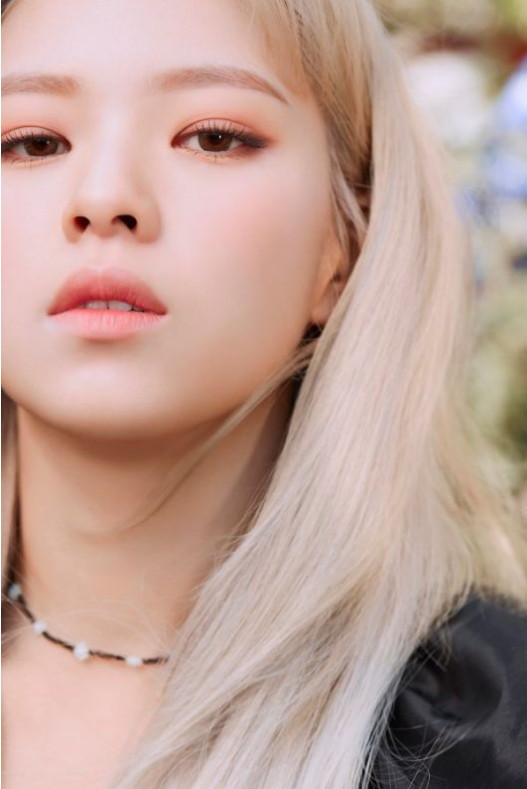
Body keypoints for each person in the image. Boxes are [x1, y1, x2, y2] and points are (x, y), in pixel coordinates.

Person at [1, 0, 526, 786]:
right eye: (31, 142)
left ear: (345, 241)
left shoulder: (493, 734)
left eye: (213, 137)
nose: (105, 197)